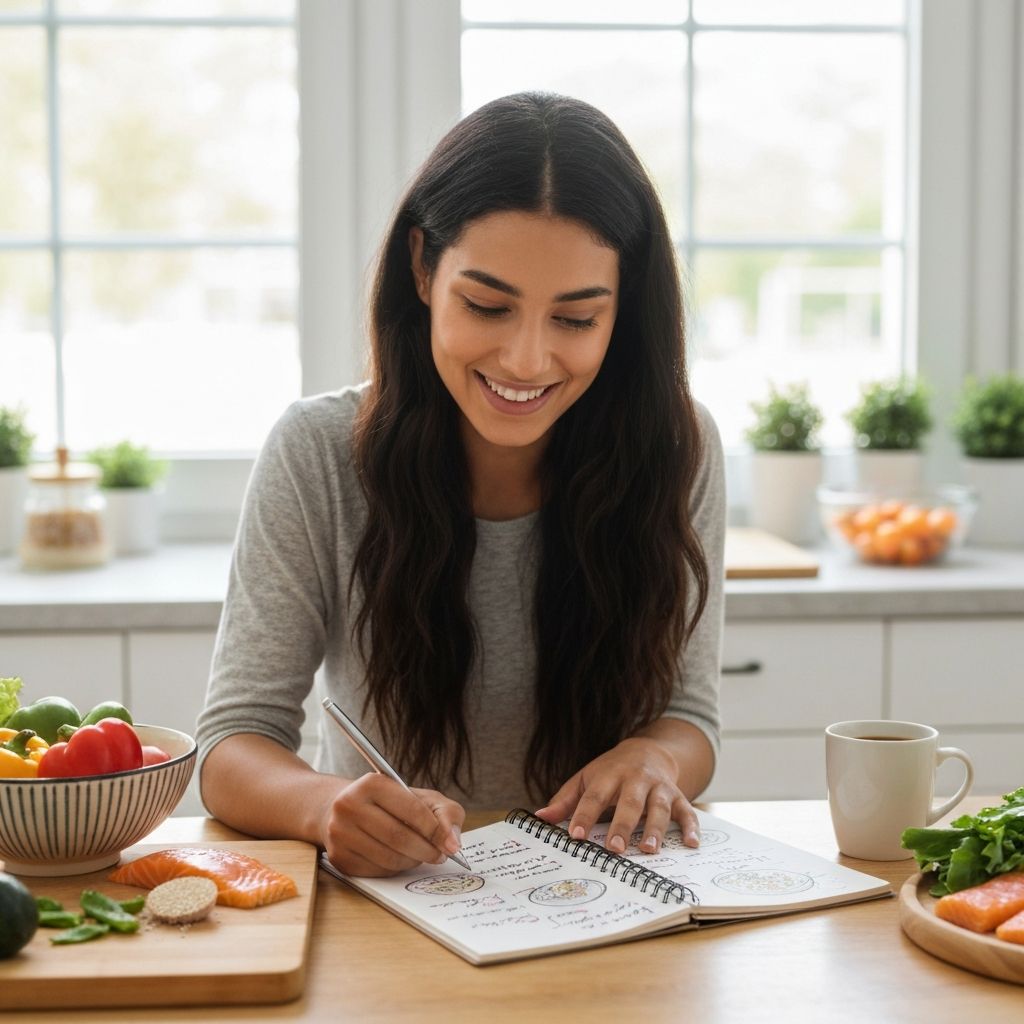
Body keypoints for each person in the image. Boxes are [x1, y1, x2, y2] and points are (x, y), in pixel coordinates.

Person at [196, 91, 725, 878]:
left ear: (624, 312)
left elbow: (689, 716)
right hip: (392, 900)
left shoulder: (678, 445)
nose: (525, 360)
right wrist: (321, 806)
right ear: (421, 267)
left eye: (576, 320)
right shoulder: (316, 451)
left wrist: (655, 758)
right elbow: (232, 741)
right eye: (486, 305)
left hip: (605, 897)